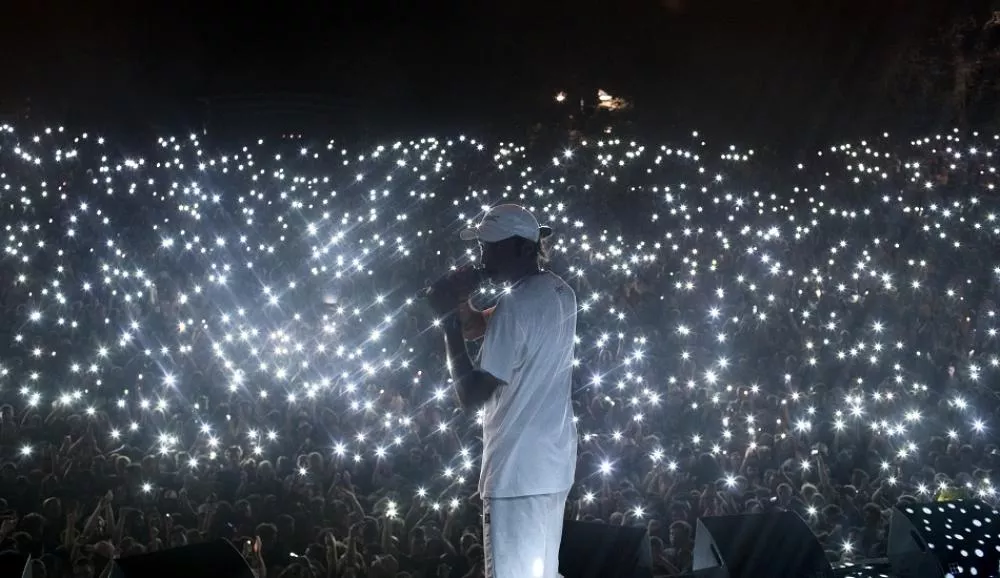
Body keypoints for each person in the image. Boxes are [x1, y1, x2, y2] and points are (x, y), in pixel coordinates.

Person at [427, 204, 578, 578]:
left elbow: (470, 396)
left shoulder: (516, 306)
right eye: (482, 246)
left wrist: (446, 320)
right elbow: (480, 327)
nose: (483, 256)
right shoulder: (559, 291)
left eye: (492, 247)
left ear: (525, 249)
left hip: (514, 471)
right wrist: (462, 304)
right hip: (552, 464)